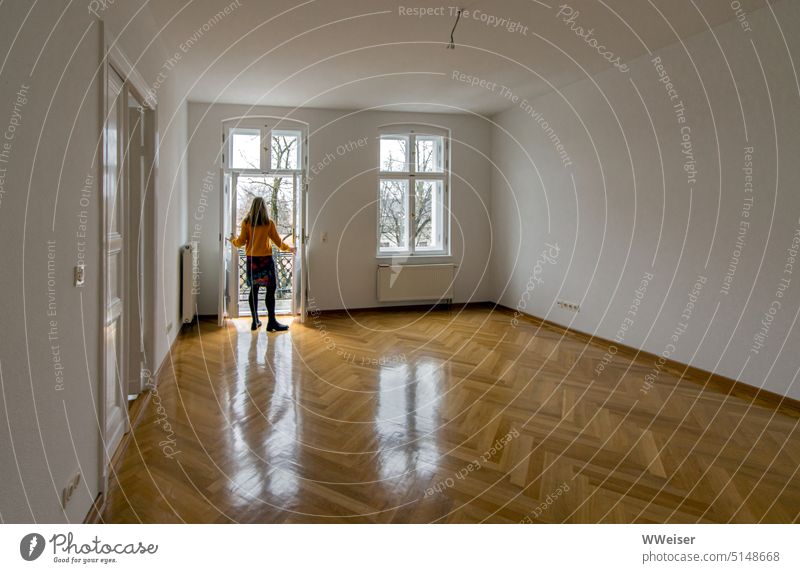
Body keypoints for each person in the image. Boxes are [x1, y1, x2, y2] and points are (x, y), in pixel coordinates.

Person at [227, 197, 295, 332]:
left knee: (254, 289)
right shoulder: (268, 223)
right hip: (266, 261)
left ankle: (255, 321)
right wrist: (290, 248)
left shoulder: (246, 223)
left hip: (252, 261)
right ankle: (271, 322)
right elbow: (278, 242)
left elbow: (241, 242)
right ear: (264, 207)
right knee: (271, 290)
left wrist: (232, 240)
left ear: (252, 207)